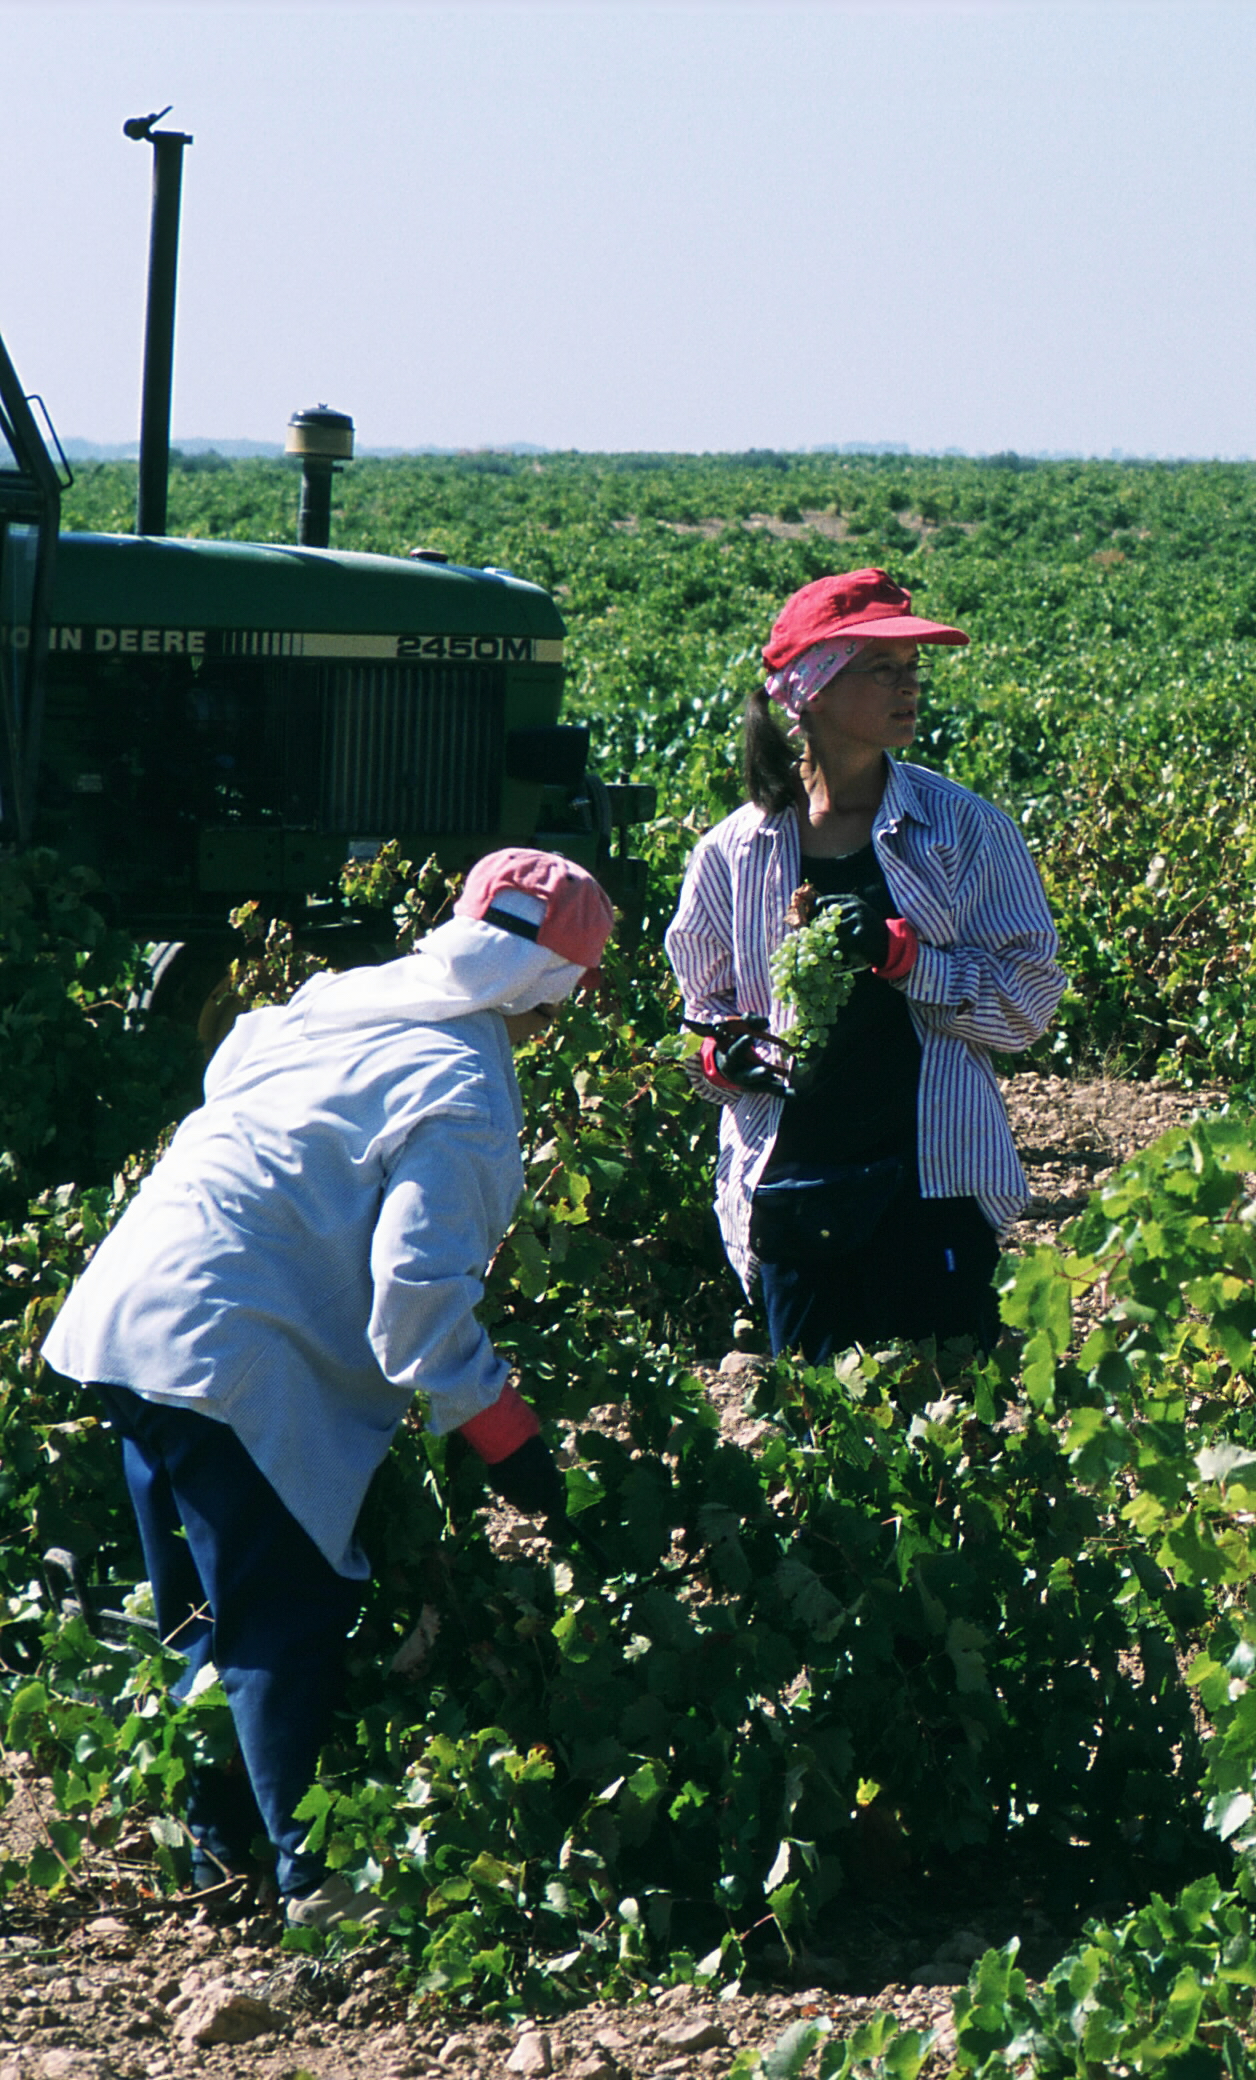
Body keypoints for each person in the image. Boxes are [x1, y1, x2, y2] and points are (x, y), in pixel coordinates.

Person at [40, 848, 614, 1924]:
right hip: (228, 1350)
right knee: (285, 1605)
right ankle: (312, 1882)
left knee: (200, 1613)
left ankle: (216, 1858)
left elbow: (233, 1077)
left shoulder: (344, 996)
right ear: (557, 988)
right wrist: (507, 1437)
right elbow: (415, 1292)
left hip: (127, 1308)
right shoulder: (467, 1088)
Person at [665, 569, 1063, 1359]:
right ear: (811, 689)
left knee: (957, 1437)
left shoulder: (964, 832)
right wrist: (724, 1053)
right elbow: (696, 1022)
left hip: (933, 1188)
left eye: (912, 669)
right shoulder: (732, 854)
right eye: (883, 668)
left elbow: (1028, 1007)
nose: (909, 687)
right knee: (821, 1448)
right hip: (796, 1192)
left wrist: (905, 957)